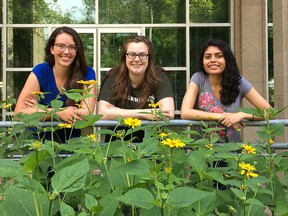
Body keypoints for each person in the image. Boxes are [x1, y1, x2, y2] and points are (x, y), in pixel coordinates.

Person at [14, 26, 97, 143]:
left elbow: (85, 114)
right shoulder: (41, 71)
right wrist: (59, 112)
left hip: (72, 144)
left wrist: (39, 110)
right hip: (38, 143)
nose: (66, 51)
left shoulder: (87, 73)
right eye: (61, 46)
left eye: (72, 47)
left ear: (77, 51)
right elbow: (19, 113)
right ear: (52, 49)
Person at [181, 39, 271, 142]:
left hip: (232, 151)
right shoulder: (198, 78)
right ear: (203, 61)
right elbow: (185, 112)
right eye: (207, 57)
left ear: (227, 60)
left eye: (219, 56)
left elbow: (270, 112)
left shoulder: (239, 82)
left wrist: (242, 115)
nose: (212, 60)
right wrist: (223, 116)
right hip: (203, 149)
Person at [97, 35, 174, 141]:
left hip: (151, 146)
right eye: (132, 54)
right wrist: (147, 113)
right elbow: (102, 113)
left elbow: (168, 113)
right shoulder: (114, 76)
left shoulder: (159, 76)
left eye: (142, 55)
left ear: (149, 57)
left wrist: (118, 112)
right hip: (117, 145)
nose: (137, 59)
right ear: (125, 57)